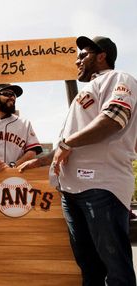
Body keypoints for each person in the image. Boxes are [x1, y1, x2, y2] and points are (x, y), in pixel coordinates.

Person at [18, 36, 137, 285]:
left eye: (83, 54)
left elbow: (113, 119)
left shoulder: (119, 78)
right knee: (89, 268)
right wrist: (40, 161)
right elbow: (68, 143)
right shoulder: (86, 92)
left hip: (101, 186)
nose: (77, 60)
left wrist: (66, 144)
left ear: (102, 55)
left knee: (116, 268)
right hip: (72, 191)